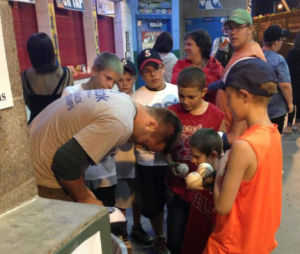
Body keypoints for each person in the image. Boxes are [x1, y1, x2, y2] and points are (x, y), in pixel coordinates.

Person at [29, 89, 183, 206]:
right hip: (43, 175)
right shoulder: (121, 123)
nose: (137, 145)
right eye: (145, 144)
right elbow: (65, 162)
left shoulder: (122, 99)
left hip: (32, 155)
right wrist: (84, 197)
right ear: (151, 125)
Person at [203, 57, 282, 254]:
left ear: (244, 95)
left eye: (229, 96)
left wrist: (221, 163)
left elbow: (222, 205)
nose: (227, 104)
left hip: (231, 245)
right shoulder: (274, 133)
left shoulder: (243, 146)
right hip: (258, 243)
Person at [165, 67, 225, 254]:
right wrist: (171, 164)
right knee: (175, 242)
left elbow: (220, 153)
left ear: (204, 92)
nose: (185, 101)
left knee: (201, 240)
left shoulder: (216, 115)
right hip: (178, 190)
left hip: (205, 194)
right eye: (181, 95)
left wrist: (210, 179)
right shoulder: (172, 113)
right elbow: (164, 146)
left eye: (191, 97)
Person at [130, 48, 179, 254]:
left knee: (176, 202)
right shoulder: (135, 98)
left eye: (156, 68)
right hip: (148, 161)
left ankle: (177, 238)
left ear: (163, 67)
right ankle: (160, 237)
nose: (153, 74)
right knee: (154, 204)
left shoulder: (177, 91)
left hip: (175, 160)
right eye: (147, 71)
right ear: (141, 75)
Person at [62, 52, 124, 207]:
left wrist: (115, 145)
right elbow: (67, 130)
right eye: (108, 78)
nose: (110, 85)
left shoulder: (113, 96)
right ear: (95, 71)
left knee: (107, 213)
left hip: (105, 171)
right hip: (78, 172)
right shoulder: (72, 94)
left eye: (114, 82)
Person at [215, 8, 266, 143]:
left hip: (238, 136)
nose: (233, 32)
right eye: (230, 28)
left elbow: (249, 99)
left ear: (250, 29)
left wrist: (234, 135)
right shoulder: (241, 51)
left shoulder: (251, 57)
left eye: (238, 27)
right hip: (229, 128)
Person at [181, 128, 223, 254]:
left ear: (214, 155)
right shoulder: (200, 175)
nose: (193, 161)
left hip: (207, 242)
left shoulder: (222, 182)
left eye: (197, 156)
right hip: (193, 233)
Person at [21, 32, 73, 124]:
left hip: (36, 127)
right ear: (51, 51)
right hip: (61, 125)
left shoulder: (25, 76)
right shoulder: (67, 73)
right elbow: (70, 102)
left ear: (31, 54)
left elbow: (28, 103)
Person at [170, 29, 223, 105]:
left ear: (201, 47)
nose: (185, 48)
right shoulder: (180, 65)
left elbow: (217, 88)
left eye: (189, 44)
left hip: (210, 111)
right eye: (186, 44)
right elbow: (175, 85)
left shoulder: (215, 65)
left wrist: (192, 75)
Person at [262, 25, 293, 133]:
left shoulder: (255, 56)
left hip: (257, 110)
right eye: (281, 40)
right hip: (276, 110)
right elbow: (285, 85)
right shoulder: (278, 60)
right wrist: (290, 103)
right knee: (274, 140)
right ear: (276, 42)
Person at [284, 30, 300, 133]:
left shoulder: (292, 52)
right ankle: (297, 123)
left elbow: (287, 67)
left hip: (292, 80)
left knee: (291, 102)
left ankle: (289, 125)